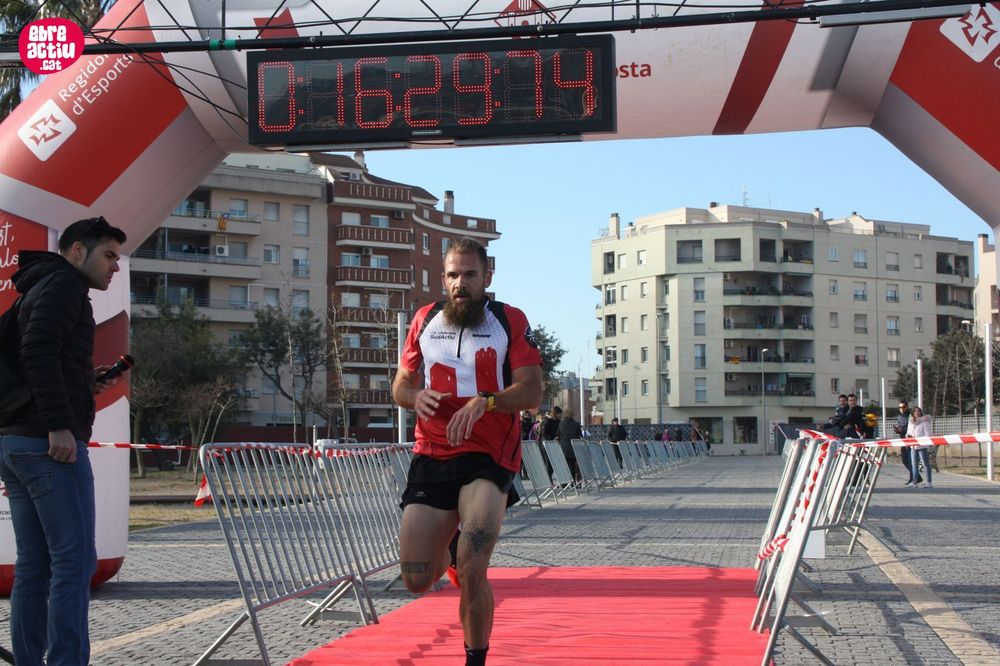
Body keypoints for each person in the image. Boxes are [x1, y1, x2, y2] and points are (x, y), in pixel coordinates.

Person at [392, 237, 543, 666]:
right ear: (444, 279)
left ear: (486, 277)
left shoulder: (508, 320)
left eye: (470, 275)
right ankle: (450, 546)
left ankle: (475, 658)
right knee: (416, 578)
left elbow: (532, 392)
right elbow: (400, 385)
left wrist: (487, 401)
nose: (461, 284)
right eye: (453, 276)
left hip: (488, 456)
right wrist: (414, 396)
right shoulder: (424, 320)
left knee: (474, 567)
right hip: (432, 453)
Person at [0, 217, 126, 666]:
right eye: (108, 255)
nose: (114, 266)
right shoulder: (64, 286)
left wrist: (83, 381)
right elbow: (37, 351)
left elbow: (37, 357)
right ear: (77, 250)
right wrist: (59, 425)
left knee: (34, 564)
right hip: (47, 446)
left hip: (16, 442)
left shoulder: (39, 287)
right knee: (74, 562)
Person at [895, 400, 922, 486]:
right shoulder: (899, 416)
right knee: (904, 460)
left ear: (907, 407)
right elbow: (900, 427)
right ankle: (917, 477)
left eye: (903, 407)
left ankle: (913, 479)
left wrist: (902, 430)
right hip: (903, 441)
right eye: (900, 407)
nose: (901, 409)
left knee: (911, 461)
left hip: (910, 441)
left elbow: (911, 428)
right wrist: (898, 430)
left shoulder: (910, 416)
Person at [906, 406, 934, 488]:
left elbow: (928, 434)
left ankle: (929, 482)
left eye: (918, 411)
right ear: (913, 413)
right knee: (914, 464)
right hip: (913, 446)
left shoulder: (924, 421)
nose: (917, 412)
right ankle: (915, 482)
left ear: (921, 412)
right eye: (915, 411)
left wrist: (918, 439)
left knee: (925, 464)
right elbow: (908, 432)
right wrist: (908, 436)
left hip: (922, 446)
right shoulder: (911, 422)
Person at [557, 408, 583, 482]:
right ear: (572, 415)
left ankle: (564, 482)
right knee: (572, 465)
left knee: (564, 465)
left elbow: (558, 434)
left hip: (563, 447)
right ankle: (572, 482)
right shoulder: (576, 424)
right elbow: (580, 435)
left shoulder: (561, 424)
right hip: (573, 447)